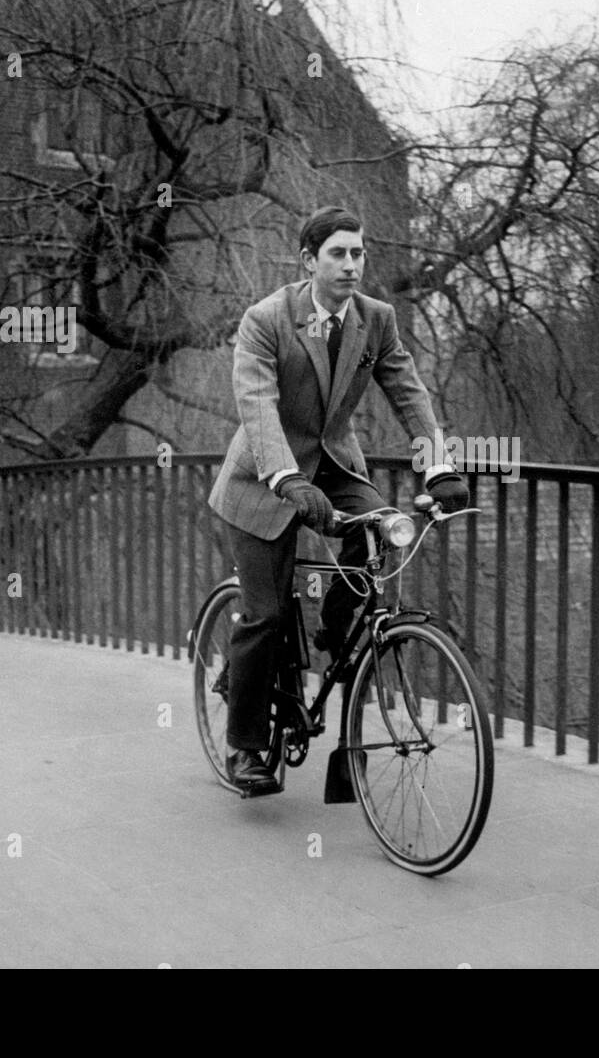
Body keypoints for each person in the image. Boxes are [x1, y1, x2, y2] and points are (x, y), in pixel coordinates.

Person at [207, 206, 468, 790]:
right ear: (309, 261)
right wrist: (286, 480)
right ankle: (245, 747)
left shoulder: (375, 319)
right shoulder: (266, 320)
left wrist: (439, 467)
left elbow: (408, 392)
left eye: (359, 254)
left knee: (381, 524)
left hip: (329, 464)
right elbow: (257, 408)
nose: (352, 265)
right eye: (339, 254)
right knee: (267, 614)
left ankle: (335, 626)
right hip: (262, 478)